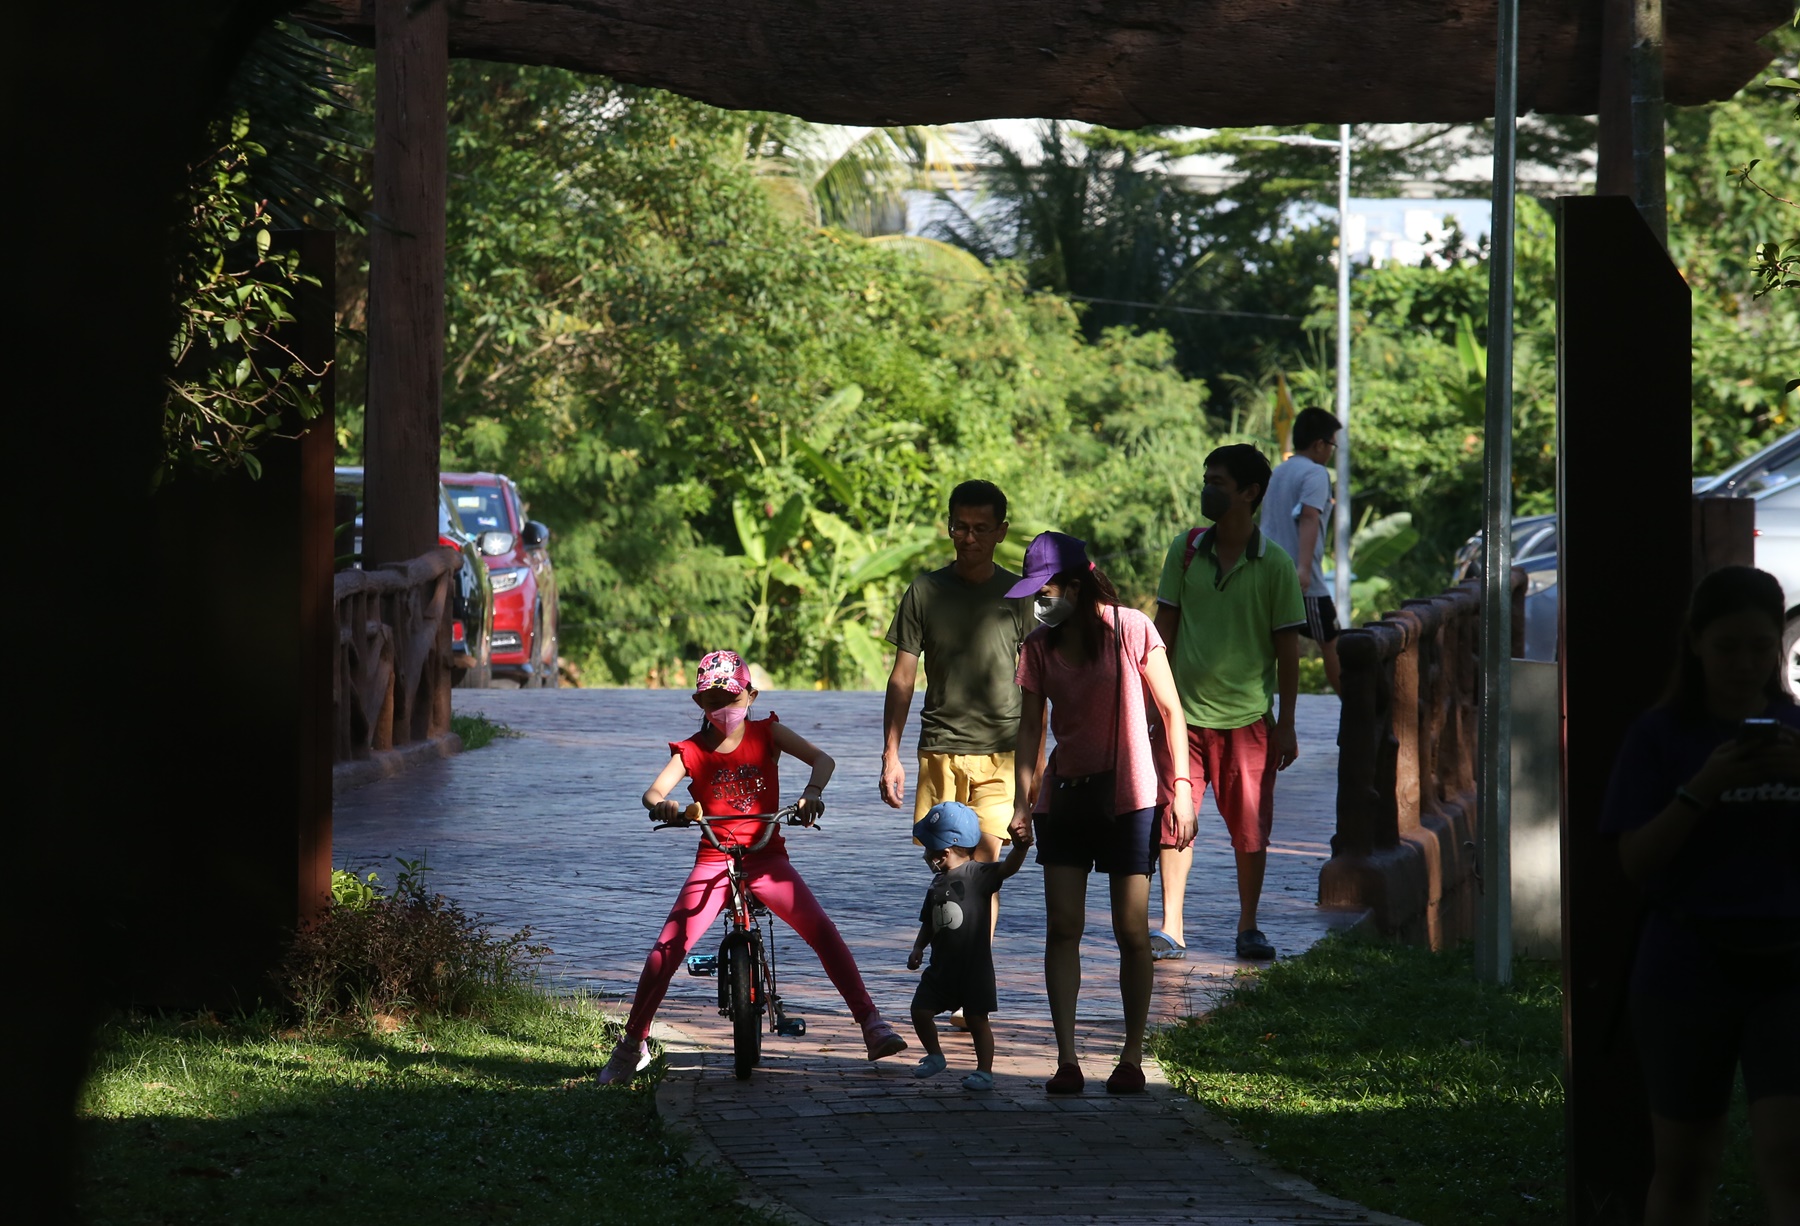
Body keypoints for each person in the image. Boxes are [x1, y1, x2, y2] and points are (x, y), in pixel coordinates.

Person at [599, 650, 907, 1084]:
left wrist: (811, 793)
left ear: (751, 694)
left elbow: (823, 760)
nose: (723, 708)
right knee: (665, 951)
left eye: (732, 697)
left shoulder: (768, 734)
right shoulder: (691, 751)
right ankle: (632, 1044)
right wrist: (666, 806)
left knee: (821, 930)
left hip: (767, 856)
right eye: (712, 700)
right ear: (697, 703)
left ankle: (870, 1022)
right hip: (714, 858)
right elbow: (652, 793)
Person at [1599, 566, 1799, 1225]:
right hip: (1686, 963)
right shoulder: (1661, 737)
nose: (1745, 664)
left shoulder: (1795, 733)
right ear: (1695, 645)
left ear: (1780, 648)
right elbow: (1635, 860)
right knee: (1684, 1166)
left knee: (1788, 1152)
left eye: (1761, 647)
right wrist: (1701, 789)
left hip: (1788, 964)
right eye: (1727, 648)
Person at [1007, 532, 1196, 1095]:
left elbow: (1171, 710)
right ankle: (1067, 1059)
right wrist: (1023, 799)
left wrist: (1180, 789)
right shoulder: (1038, 646)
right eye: (1035, 592)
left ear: (1078, 583)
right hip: (1065, 796)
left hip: (1129, 797)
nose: (1041, 600)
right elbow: (1029, 727)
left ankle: (1132, 1056)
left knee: (1131, 931)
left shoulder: (1133, 628)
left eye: (1049, 588)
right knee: (1063, 928)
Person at [1151, 443, 1305, 963]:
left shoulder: (1276, 566)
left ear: (1249, 492)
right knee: (1175, 819)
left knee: (1250, 826)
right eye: (1206, 478)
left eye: (1218, 481)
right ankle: (1171, 925)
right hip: (1184, 718)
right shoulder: (1186, 550)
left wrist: (1286, 723)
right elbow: (1163, 630)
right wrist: (1153, 702)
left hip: (1248, 722)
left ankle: (1248, 925)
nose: (1208, 489)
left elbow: (1289, 650)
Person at [882, 480, 1035, 887]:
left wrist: (1035, 766)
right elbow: (902, 676)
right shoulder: (925, 591)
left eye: (981, 528)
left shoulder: (1019, 595)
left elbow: (1039, 685)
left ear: (1001, 531)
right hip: (940, 749)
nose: (968, 538)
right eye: (960, 527)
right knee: (948, 865)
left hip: (1001, 751)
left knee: (984, 867)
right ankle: (951, 947)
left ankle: (977, 952)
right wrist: (890, 754)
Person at [905, 801, 1031, 1091]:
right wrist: (918, 948)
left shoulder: (979, 875)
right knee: (920, 1010)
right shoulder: (936, 884)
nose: (925, 855)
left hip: (974, 969)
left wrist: (1021, 848)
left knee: (977, 1020)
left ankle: (984, 1071)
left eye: (928, 849)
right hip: (941, 968)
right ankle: (935, 1055)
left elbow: (1007, 869)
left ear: (945, 852)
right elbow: (929, 922)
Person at [1261, 406, 1344, 695]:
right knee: (1331, 642)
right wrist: (1304, 568)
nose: (1332, 451)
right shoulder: (1316, 473)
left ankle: (1277, 708)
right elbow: (1308, 516)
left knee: (1281, 644)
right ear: (1319, 444)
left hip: (1268, 570)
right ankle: (1351, 708)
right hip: (1303, 580)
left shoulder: (1280, 471)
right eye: (1332, 444)